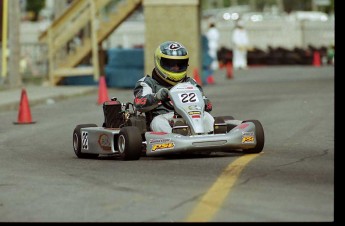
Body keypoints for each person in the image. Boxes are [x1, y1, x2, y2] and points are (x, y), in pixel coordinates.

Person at [133, 41, 214, 133]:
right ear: (159, 62)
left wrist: (205, 102)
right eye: (170, 64)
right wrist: (156, 97)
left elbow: (207, 106)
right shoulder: (147, 83)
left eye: (180, 64)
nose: (176, 68)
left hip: (190, 117)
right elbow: (139, 103)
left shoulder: (190, 82)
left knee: (207, 117)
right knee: (158, 122)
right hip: (164, 118)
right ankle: (174, 138)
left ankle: (210, 137)